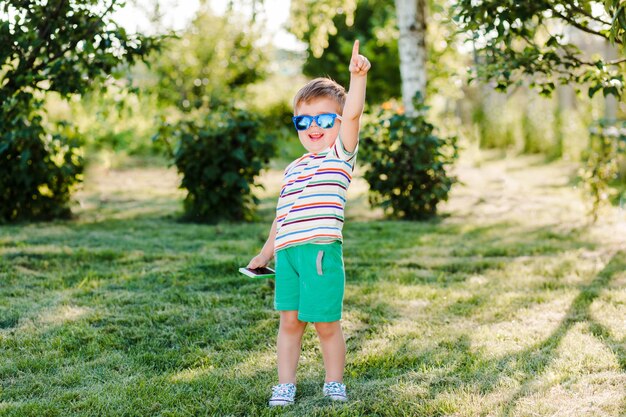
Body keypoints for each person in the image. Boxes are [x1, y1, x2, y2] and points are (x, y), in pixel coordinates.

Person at [247, 39, 371, 407]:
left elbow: (353, 116)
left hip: (320, 254)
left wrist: (356, 78)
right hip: (288, 257)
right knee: (289, 323)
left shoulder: (339, 156)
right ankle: (285, 384)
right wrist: (265, 253)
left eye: (323, 120)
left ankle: (334, 382)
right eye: (304, 120)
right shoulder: (293, 167)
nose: (313, 128)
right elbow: (281, 216)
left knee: (326, 324)